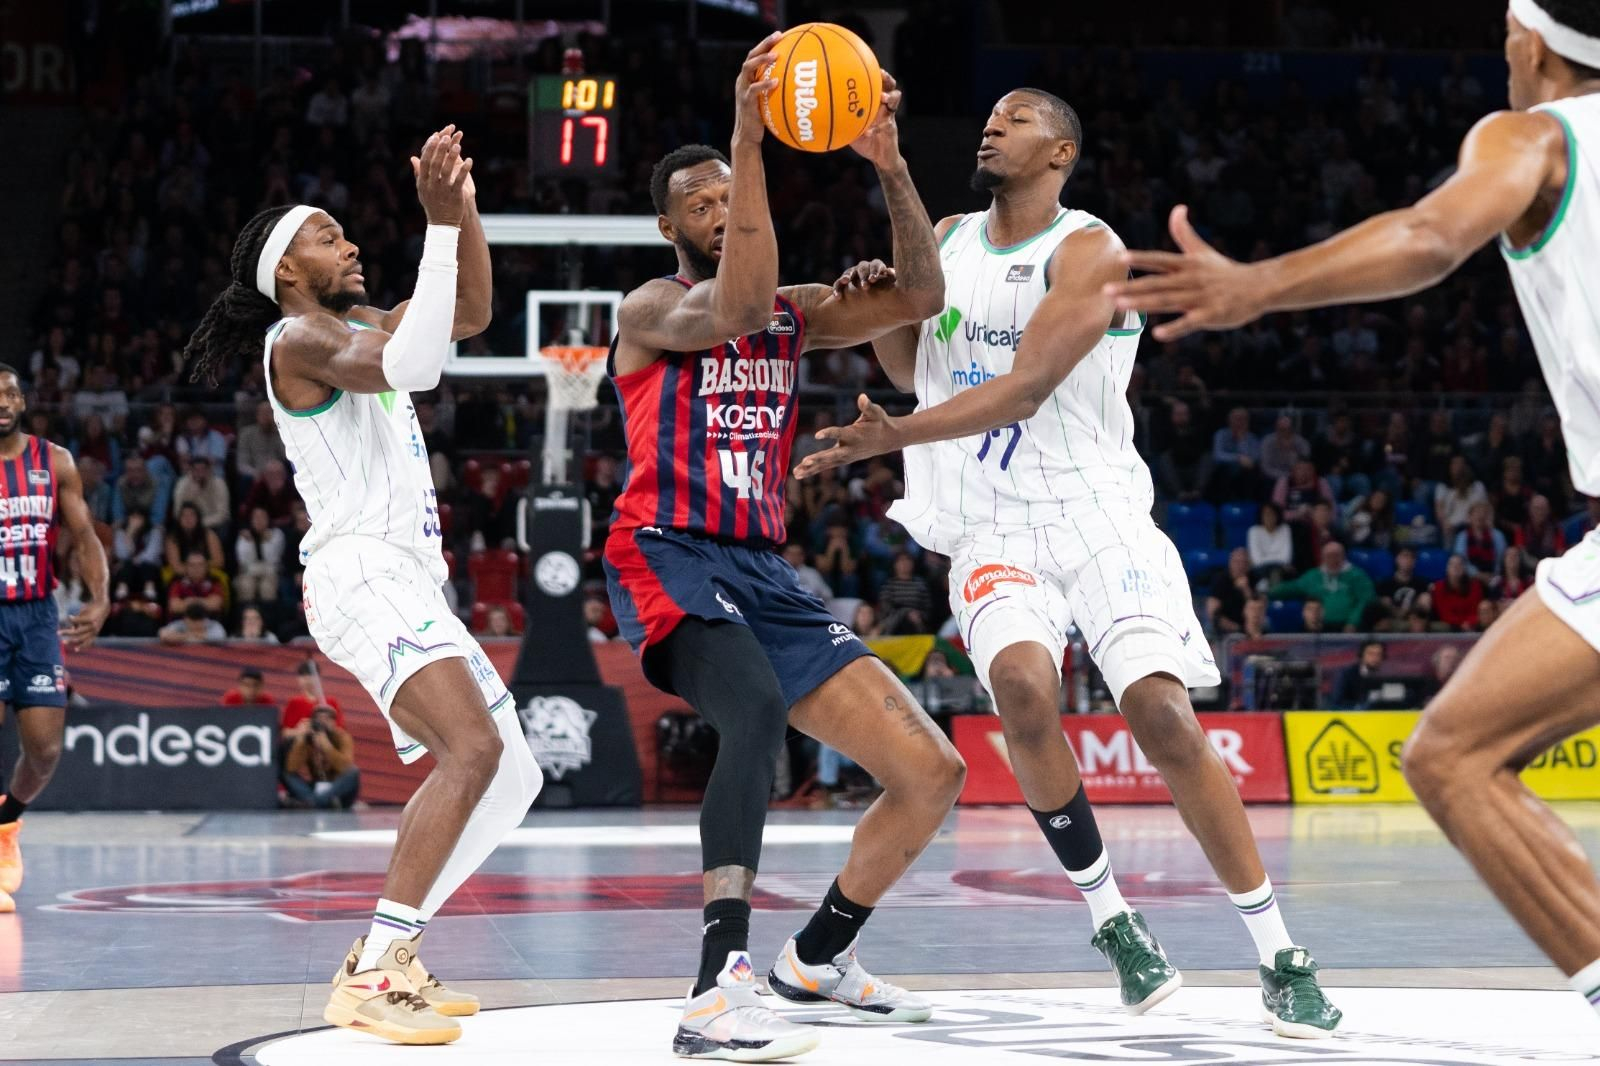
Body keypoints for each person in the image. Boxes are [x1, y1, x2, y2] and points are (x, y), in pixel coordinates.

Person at [794, 87, 1339, 1037]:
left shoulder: (1092, 251)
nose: (992, 125)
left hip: (1097, 516)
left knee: (1161, 715)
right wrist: (881, 291)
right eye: (990, 116)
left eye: (1016, 118)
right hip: (990, 524)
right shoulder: (952, 236)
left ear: (1062, 154)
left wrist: (897, 437)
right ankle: (1115, 925)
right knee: (1023, 693)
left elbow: (1025, 386)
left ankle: (1279, 951)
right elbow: (907, 367)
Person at [1106, 2, 1600, 1014]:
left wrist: (1256, 286)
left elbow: (1428, 236)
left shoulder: (1533, 135)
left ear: (1533, 42)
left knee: (1451, 754)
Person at [604, 40, 964, 1060]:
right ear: (669, 225)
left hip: (763, 568)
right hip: (667, 547)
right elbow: (732, 306)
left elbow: (920, 299)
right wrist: (749, 138)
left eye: (730, 192)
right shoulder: (648, 310)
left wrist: (889, 165)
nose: (719, 204)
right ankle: (716, 982)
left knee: (931, 771)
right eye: (700, 199)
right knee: (754, 710)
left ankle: (815, 958)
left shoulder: (795, 312)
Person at [181, 125, 542, 1044]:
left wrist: (457, 209)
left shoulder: (352, 324)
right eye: (328, 235)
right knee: (472, 750)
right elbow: (416, 363)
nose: (350, 244)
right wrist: (433, 226)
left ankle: (394, 948)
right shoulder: (299, 336)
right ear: (288, 270)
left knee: (513, 774)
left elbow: (467, 314)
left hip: (409, 579)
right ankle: (377, 971)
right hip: (360, 573)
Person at [0, 366, 109, 914]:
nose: (3, 402)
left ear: (24, 401)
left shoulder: (55, 461)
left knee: (43, 751)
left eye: (11, 393)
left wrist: (101, 597)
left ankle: (6, 822)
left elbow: (85, 535)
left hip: (38, 616)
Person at [1269, 542, 1375, 633]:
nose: (1333, 560)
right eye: (1329, 556)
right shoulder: (1314, 576)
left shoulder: (1357, 576)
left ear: (1343, 556)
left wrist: (1353, 622)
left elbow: (1366, 601)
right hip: (1319, 627)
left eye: (1336, 555)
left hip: (1348, 626)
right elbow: (1293, 588)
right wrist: (1268, 593)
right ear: (1323, 558)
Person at [281, 704, 360, 809]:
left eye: (328, 719)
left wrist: (326, 745)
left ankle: (313, 802)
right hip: (316, 786)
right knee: (286, 773)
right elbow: (292, 768)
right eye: (319, 719)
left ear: (334, 722)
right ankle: (318, 801)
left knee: (353, 772)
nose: (323, 722)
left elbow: (345, 767)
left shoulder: (342, 737)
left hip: (338, 788)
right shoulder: (307, 738)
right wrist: (301, 740)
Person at [281, 659, 344, 733]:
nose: (307, 679)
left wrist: (329, 727)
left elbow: (341, 731)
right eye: (303, 675)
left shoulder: (331, 703)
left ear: (319, 677)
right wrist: (299, 731)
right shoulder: (294, 703)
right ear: (298, 679)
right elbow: (285, 733)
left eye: (311, 675)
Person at [1431, 554, 1487, 631]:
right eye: (1452, 564)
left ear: (1465, 569)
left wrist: (1469, 622)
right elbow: (1444, 613)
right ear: (1447, 568)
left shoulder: (1475, 586)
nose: (1456, 567)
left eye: (1460, 564)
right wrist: (1461, 624)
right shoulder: (1439, 587)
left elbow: (1476, 610)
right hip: (1450, 625)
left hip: (1471, 625)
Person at [1332, 640, 1386, 709]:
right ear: (1361, 655)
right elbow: (1337, 702)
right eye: (1371, 654)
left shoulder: (1387, 674)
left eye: (1378, 654)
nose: (1375, 658)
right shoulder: (1346, 674)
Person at [159, 601, 226, 644]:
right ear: (185, 619)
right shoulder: (180, 624)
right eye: (192, 622)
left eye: (199, 622)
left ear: (205, 619)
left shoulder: (213, 625)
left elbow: (219, 637)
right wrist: (189, 636)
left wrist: (182, 636)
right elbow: (164, 634)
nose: (195, 626)